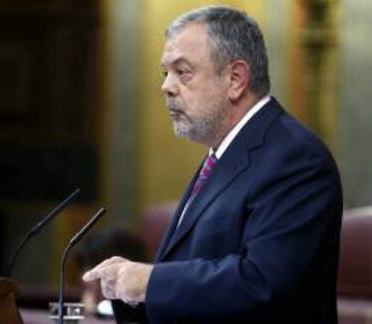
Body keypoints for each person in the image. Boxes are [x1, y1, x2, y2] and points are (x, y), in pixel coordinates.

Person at [83, 6, 343, 323]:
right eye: (165, 72)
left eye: (182, 72)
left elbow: (262, 284)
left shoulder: (296, 159)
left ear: (235, 79)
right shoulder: (222, 154)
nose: (166, 86)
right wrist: (127, 290)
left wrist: (150, 283)